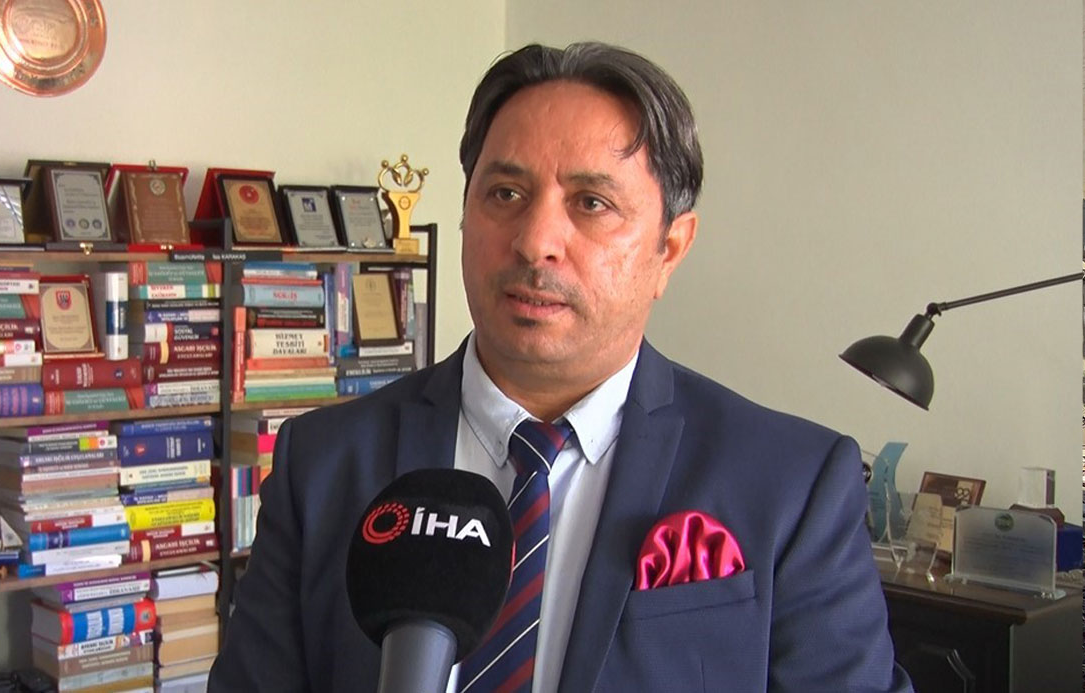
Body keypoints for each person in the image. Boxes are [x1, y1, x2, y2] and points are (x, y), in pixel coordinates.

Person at [210, 42, 912, 692]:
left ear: (669, 249)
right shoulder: (323, 464)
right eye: (505, 194)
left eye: (592, 203)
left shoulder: (790, 485)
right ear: (465, 214)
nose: (535, 240)